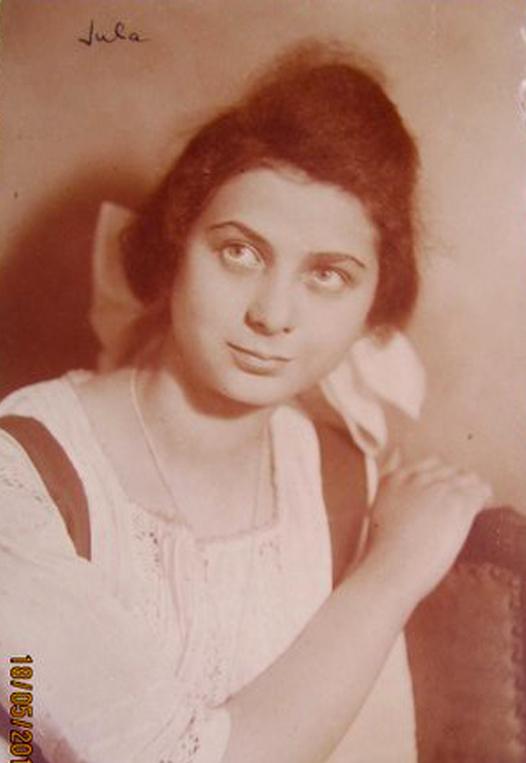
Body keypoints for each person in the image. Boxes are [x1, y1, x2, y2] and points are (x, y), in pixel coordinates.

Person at [0, 42, 491, 763]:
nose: (272, 313)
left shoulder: (340, 477)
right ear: (176, 248)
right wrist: (393, 571)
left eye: (329, 274)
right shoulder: (22, 477)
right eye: (240, 252)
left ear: (371, 307)